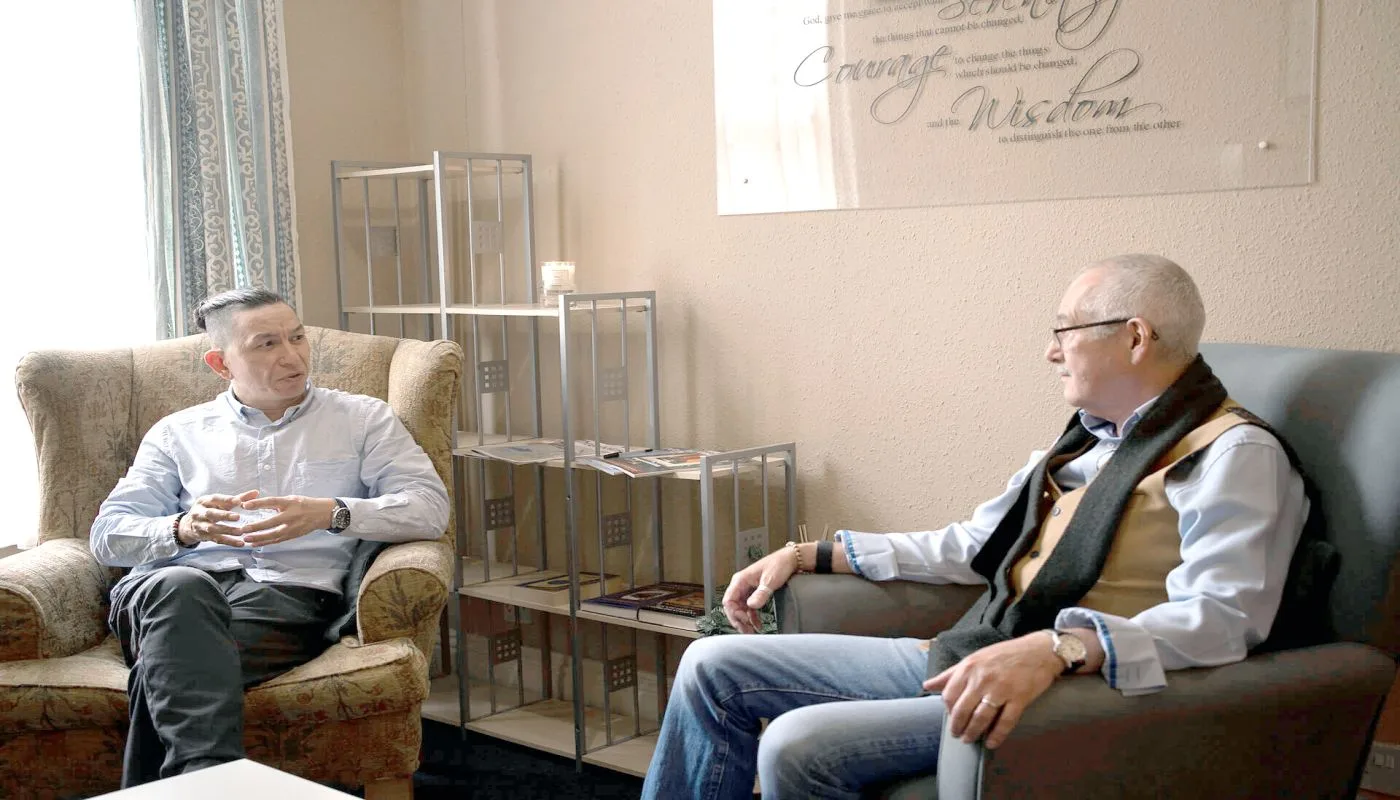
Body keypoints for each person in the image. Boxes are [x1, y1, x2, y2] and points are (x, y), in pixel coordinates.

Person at [641, 255, 1312, 799]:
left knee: (796, 744)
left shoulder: (1233, 454)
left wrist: (1060, 649)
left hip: (1071, 691)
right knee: (710, 663)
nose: (1051, 352)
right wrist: (809, 554)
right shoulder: (1083, 445)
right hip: (976, 649)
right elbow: (970, 545)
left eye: (1065, 331)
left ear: (1135, 337)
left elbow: (1225, 616)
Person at [89, 288, 450, 787]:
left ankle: (203, 783)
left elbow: (430, 509)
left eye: (297, 337)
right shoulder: (176, 433)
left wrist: (330, 513)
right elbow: (107, 535)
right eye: (266, 344)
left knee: (174, 668)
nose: (292, 355)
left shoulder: (363, 419)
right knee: (181, 589)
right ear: (221, 363)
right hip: (165, 594)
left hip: (286, 600)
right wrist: (183, 528)